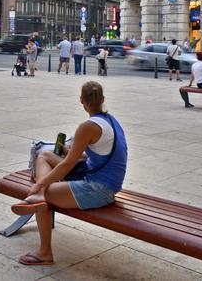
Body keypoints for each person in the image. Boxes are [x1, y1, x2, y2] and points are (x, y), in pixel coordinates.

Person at [10, 81, 127, 266]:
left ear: (81, 101)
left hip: (100, 189)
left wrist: (39, 185)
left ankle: (44, 252)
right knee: (44, 155)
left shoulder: (87, 126)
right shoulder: (111, 121)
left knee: (44, 197)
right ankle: (39, 196)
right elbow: (88, 155)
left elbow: (66, 165)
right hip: (103, 180)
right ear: (103, 100)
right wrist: (68, 151)